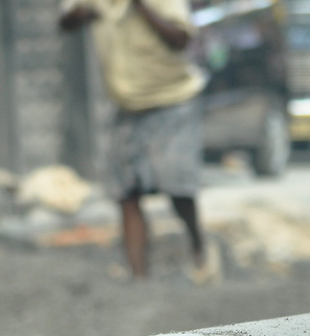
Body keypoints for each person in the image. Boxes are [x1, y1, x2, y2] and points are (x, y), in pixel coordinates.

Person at [59, 0, 218, 281]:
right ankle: (139, 279)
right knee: (126, 190)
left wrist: (141, 7)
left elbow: (181, 39)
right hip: (128, 106)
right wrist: (80, 14)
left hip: (173, 101)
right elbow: (66, 23)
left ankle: (198, 247)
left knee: (176, 185)